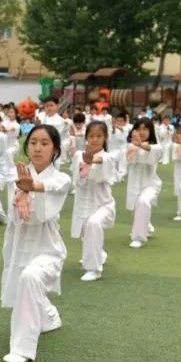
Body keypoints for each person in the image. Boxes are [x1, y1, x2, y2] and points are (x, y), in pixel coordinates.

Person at [0, 125, 72, 362]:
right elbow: (16, 214)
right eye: (33, 142)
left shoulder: (61, 179)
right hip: (18, 247)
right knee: (24, 288)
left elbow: (40, 215)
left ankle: (22, 348)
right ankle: (50, 317)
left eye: (44, 143)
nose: (38, 147)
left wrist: (30, 189)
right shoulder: (15, 175)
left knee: (31, 278)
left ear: (55, 150)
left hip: (48, 251)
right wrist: (21, 190)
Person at [69, 121, 116, 282]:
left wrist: (91, 161)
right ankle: (99, 254)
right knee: (87, 232)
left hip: (104, 205)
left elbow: (104, 163)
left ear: (105, 138)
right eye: (91, 136)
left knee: (93, 224)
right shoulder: (78, 156)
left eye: (99, 136)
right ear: (86, 137)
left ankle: (94, 269)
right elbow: (77, 179)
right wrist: (84, 164)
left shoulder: (108, 157)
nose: (95, 139)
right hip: (83, 205)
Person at [124, 118, 163, 249]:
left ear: (150, 131)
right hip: (134, 184)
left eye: (145, 129)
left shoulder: (156, 147)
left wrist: (139, 145)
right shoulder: (130, 146)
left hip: (151, 184)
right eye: (139, 128)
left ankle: (138, 238)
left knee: (143, 202)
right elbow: (128, 160)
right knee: (137, 209)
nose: (141, 132)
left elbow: (153, 152)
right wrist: (135, 145)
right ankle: (147, 226)